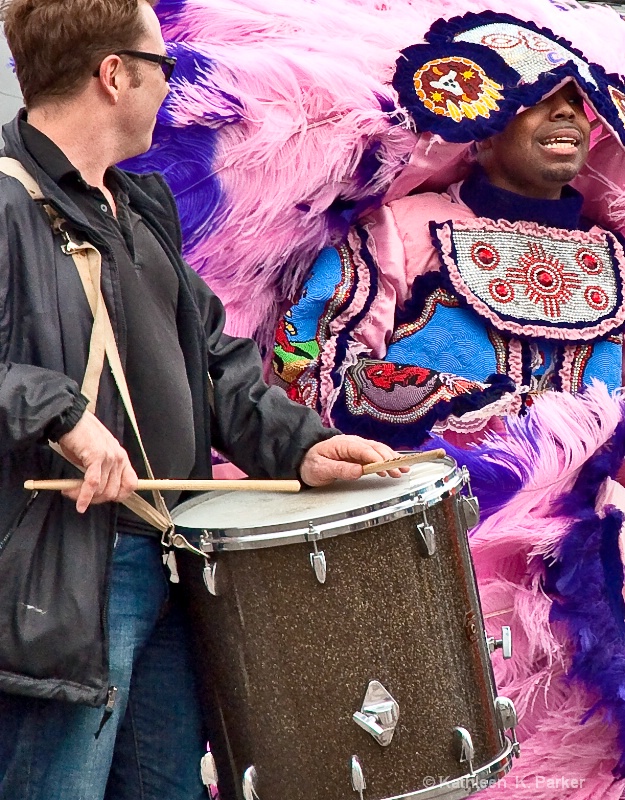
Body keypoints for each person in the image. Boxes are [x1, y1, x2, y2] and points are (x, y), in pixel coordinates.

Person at [0, 1, 407, 799]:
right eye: (164, 68)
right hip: (64, 580)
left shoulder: (136, 208)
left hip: (169, 557)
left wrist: (299, 446)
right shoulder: (6, 204)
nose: (169, 89)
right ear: (113, 74)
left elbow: (214, 362)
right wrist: (59, 412)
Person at [273, 16, 625, 797]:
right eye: (541, 101)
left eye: (578, 101)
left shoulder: (619, 260)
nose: (567, 115)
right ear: (482, 126)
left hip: (597, 586)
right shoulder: (401, 232)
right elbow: (310, 369)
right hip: (430, 560)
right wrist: (506, 427)